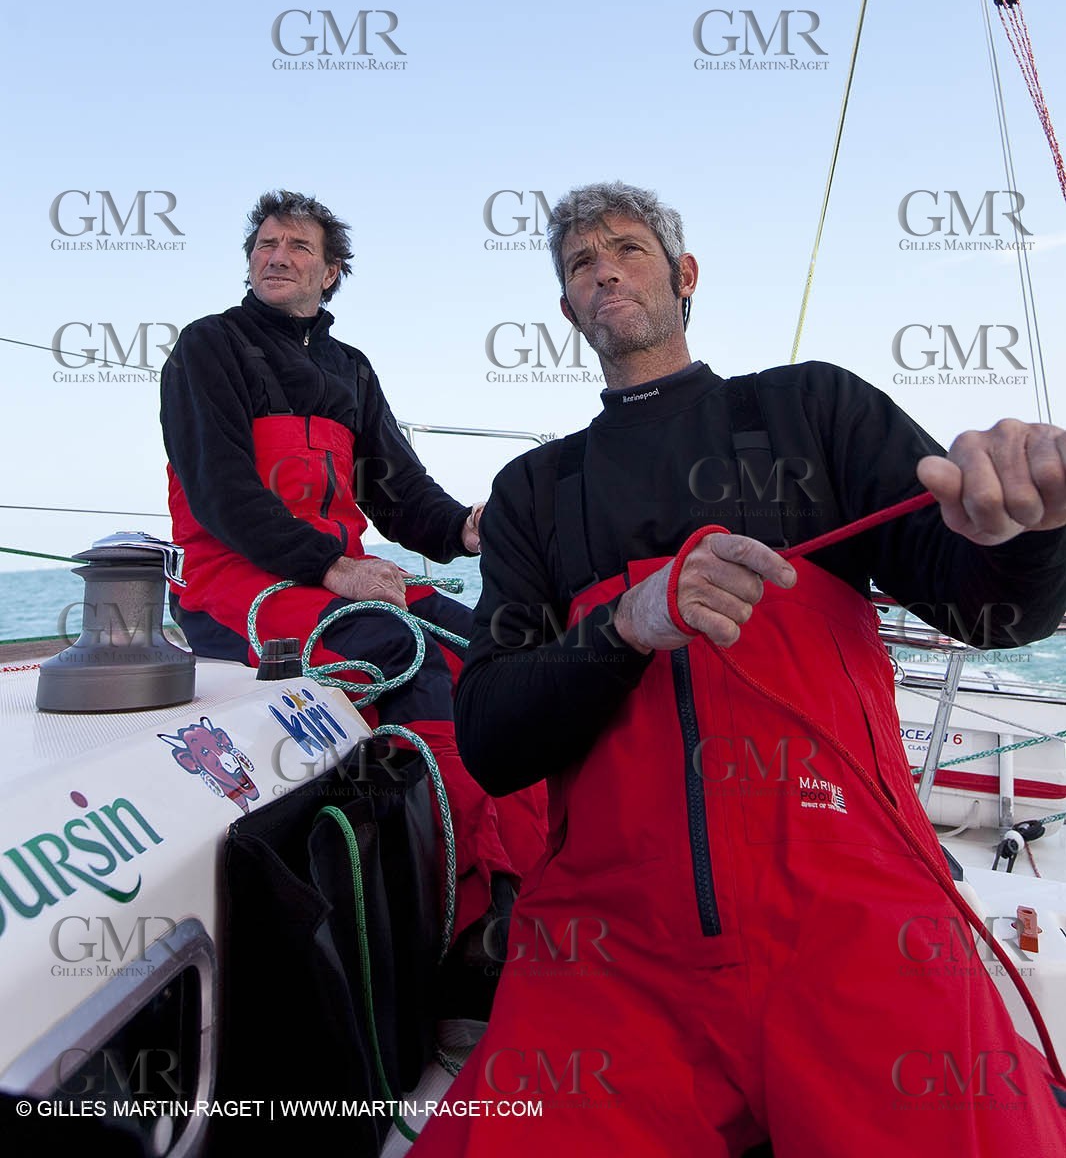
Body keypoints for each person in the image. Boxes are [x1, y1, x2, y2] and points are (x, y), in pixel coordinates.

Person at [415, 180, 1066, 1158]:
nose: (604, 272)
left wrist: (1024, 530)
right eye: (580, 264)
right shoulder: (532, 495)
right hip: (609, 943)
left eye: (627, 250)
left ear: (682, 276)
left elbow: (993, 609)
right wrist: (622, 627)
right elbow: (491, 737)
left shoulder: (814, 409)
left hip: (858, 912)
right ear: (566, 310)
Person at [160, 189, 545, 945]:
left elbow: (399, 492)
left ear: (331, 273)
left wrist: (472, 528)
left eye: (298, 247)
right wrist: (333, 568)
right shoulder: (209, 347)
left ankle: (530, 870)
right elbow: (222, 498)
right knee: (403, 653)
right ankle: (464, 919)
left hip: (335, 572)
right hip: (230, 582)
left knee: (490, 648)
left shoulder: (350, 369)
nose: (277, 255)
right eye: (265, 244)